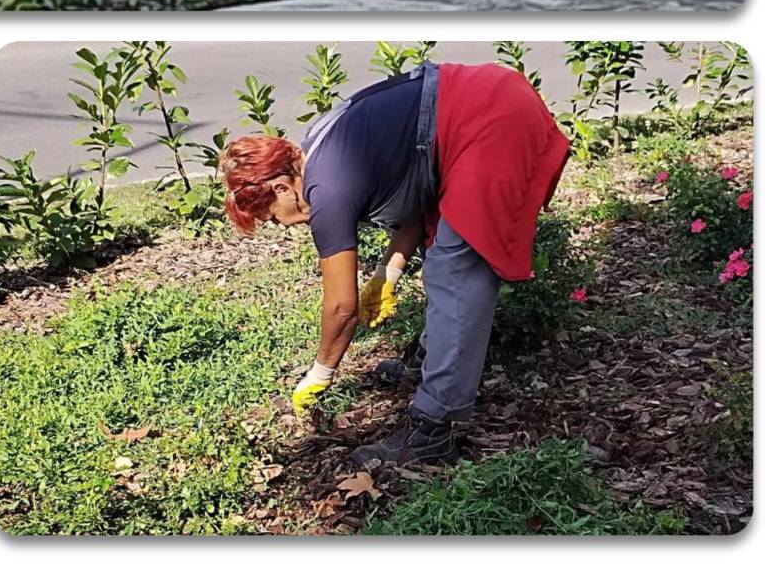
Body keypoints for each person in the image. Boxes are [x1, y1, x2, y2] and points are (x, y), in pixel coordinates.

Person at [221, 59, 570, 470]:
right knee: (442, 247)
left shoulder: (325, 190)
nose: (283, 225)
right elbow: (414, 184)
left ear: (281, 187)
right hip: (484, 102)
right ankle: (430, 361)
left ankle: (436, 428)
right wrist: (389, 270)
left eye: (273, 216)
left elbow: (340, 307)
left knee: (455, 270)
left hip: (490, 120)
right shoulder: (320, 145)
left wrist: (320, 374)